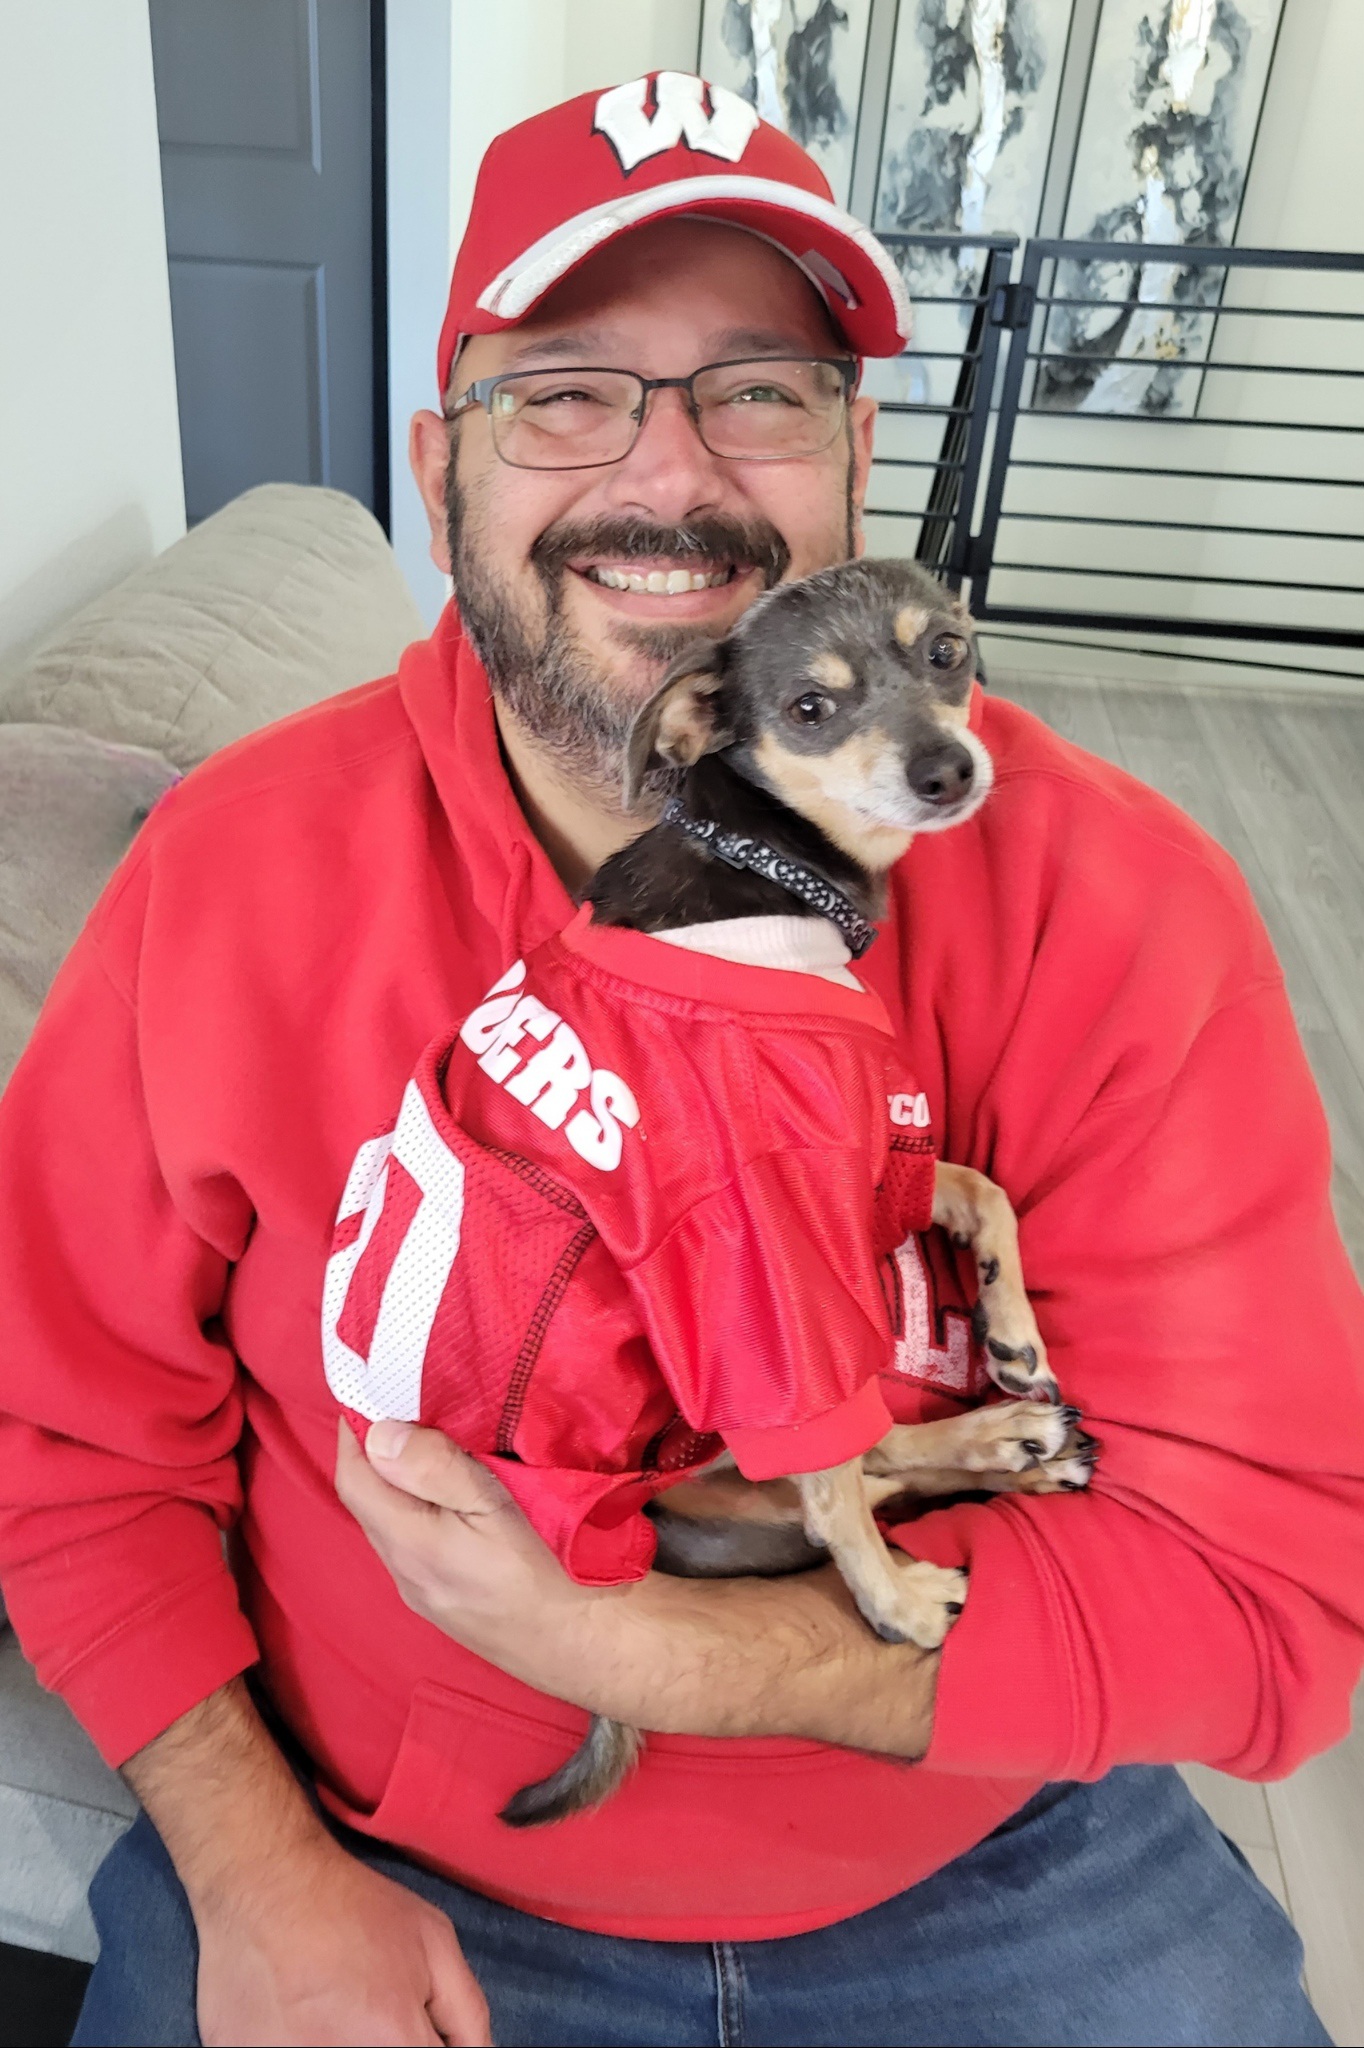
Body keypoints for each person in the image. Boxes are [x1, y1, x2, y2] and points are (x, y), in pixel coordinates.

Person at [0, 73, 1359, 2048]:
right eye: (563, 391)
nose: (670, 475)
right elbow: (64, 1447)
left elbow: (1266, 1600)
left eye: (759, 390)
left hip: (988, 1840)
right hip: (375, 1852)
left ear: (857, 454)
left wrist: (662, 1655)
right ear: (439, 467)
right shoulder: (228, 874)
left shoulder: (1121, 907)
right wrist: (253, 1867)